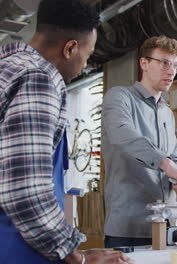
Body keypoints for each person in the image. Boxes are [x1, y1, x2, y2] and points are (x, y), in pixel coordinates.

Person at [0, 0, 130, 263]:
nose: (84, 65)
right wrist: (77, 258)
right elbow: (26, 192)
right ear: (70, 48)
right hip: (15, 249)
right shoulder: (39, 78)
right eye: (88, 55)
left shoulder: (9, 68)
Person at [102, 36, 177, 248]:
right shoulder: (120, 97)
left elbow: (174, 158)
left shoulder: (167, 112)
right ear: (144, 63)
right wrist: (168, 165)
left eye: (176, 65)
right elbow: (123, 134)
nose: (171, 71)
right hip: (129, 227)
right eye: (164, 63)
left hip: (168, 227)